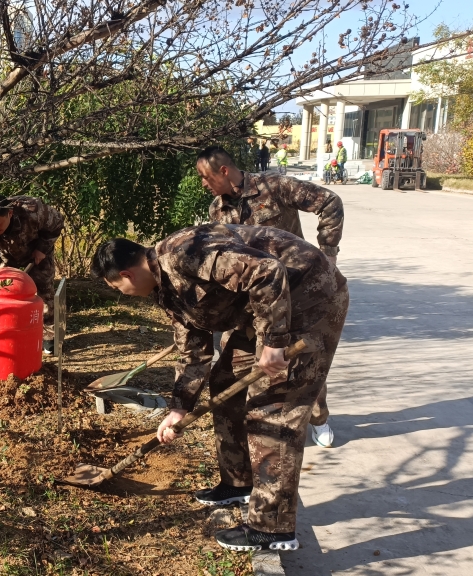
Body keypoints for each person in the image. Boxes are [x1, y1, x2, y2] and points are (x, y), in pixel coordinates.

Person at [90, 225, 348, 551]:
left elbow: (268, 272)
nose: (120, 292)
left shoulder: (186, 253)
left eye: (115, 286)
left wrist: (273, 340)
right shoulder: (164, 287)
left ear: (126, 274)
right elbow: (193, 349)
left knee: (273, 411)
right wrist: (178, 407)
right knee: (225, 381)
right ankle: (237, 481)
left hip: (310, 301)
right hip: (259, 310)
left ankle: (272, 527)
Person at [195, 146, 342, 448]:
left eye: (205, 177)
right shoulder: (217, 210)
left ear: (223, 170)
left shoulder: (274, 186)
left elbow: (329, 201)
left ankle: (318, 418)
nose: (203, 184)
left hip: (299, 290)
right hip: (256, 300)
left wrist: (326, 254)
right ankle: (261, 426)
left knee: (307, 364)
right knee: (237, 359)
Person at [0, 194, 65, 354]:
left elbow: (57, 222)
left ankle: (49, 337)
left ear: (9, 213)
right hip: (7, 258)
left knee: (44, 294)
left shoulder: (33, 211)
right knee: (7, 295)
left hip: (37, 255)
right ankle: (14, 332)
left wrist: (42, 248)